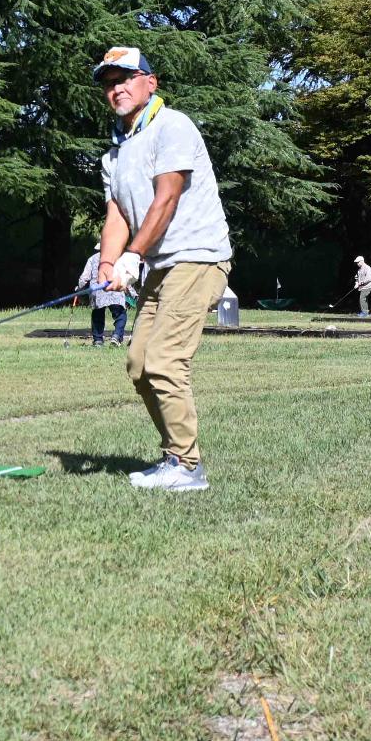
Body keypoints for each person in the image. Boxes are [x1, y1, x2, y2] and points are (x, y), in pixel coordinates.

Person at [90, 47, 233, 493]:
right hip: (160, 264)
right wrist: (108, 263)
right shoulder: (114, 154)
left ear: (150, 82)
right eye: (110, 82)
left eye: (127, 78)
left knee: (166, 360)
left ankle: (189, 468)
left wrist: (133, 255)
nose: (117, 88)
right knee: (138, 364)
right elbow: (116, 213)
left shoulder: (173, 126)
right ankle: (174, 457)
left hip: (199, 255)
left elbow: (166, 198)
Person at [75, 249, 130, 346]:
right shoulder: (119, 258)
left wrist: (79, 288)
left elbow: (84, 277)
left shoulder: (92, 258)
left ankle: (98, 340)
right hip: (115, 291)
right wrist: (133, 293)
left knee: (97, 314)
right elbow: (125, 277)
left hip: (98, 292)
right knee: (120, 315)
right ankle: (117, 336)